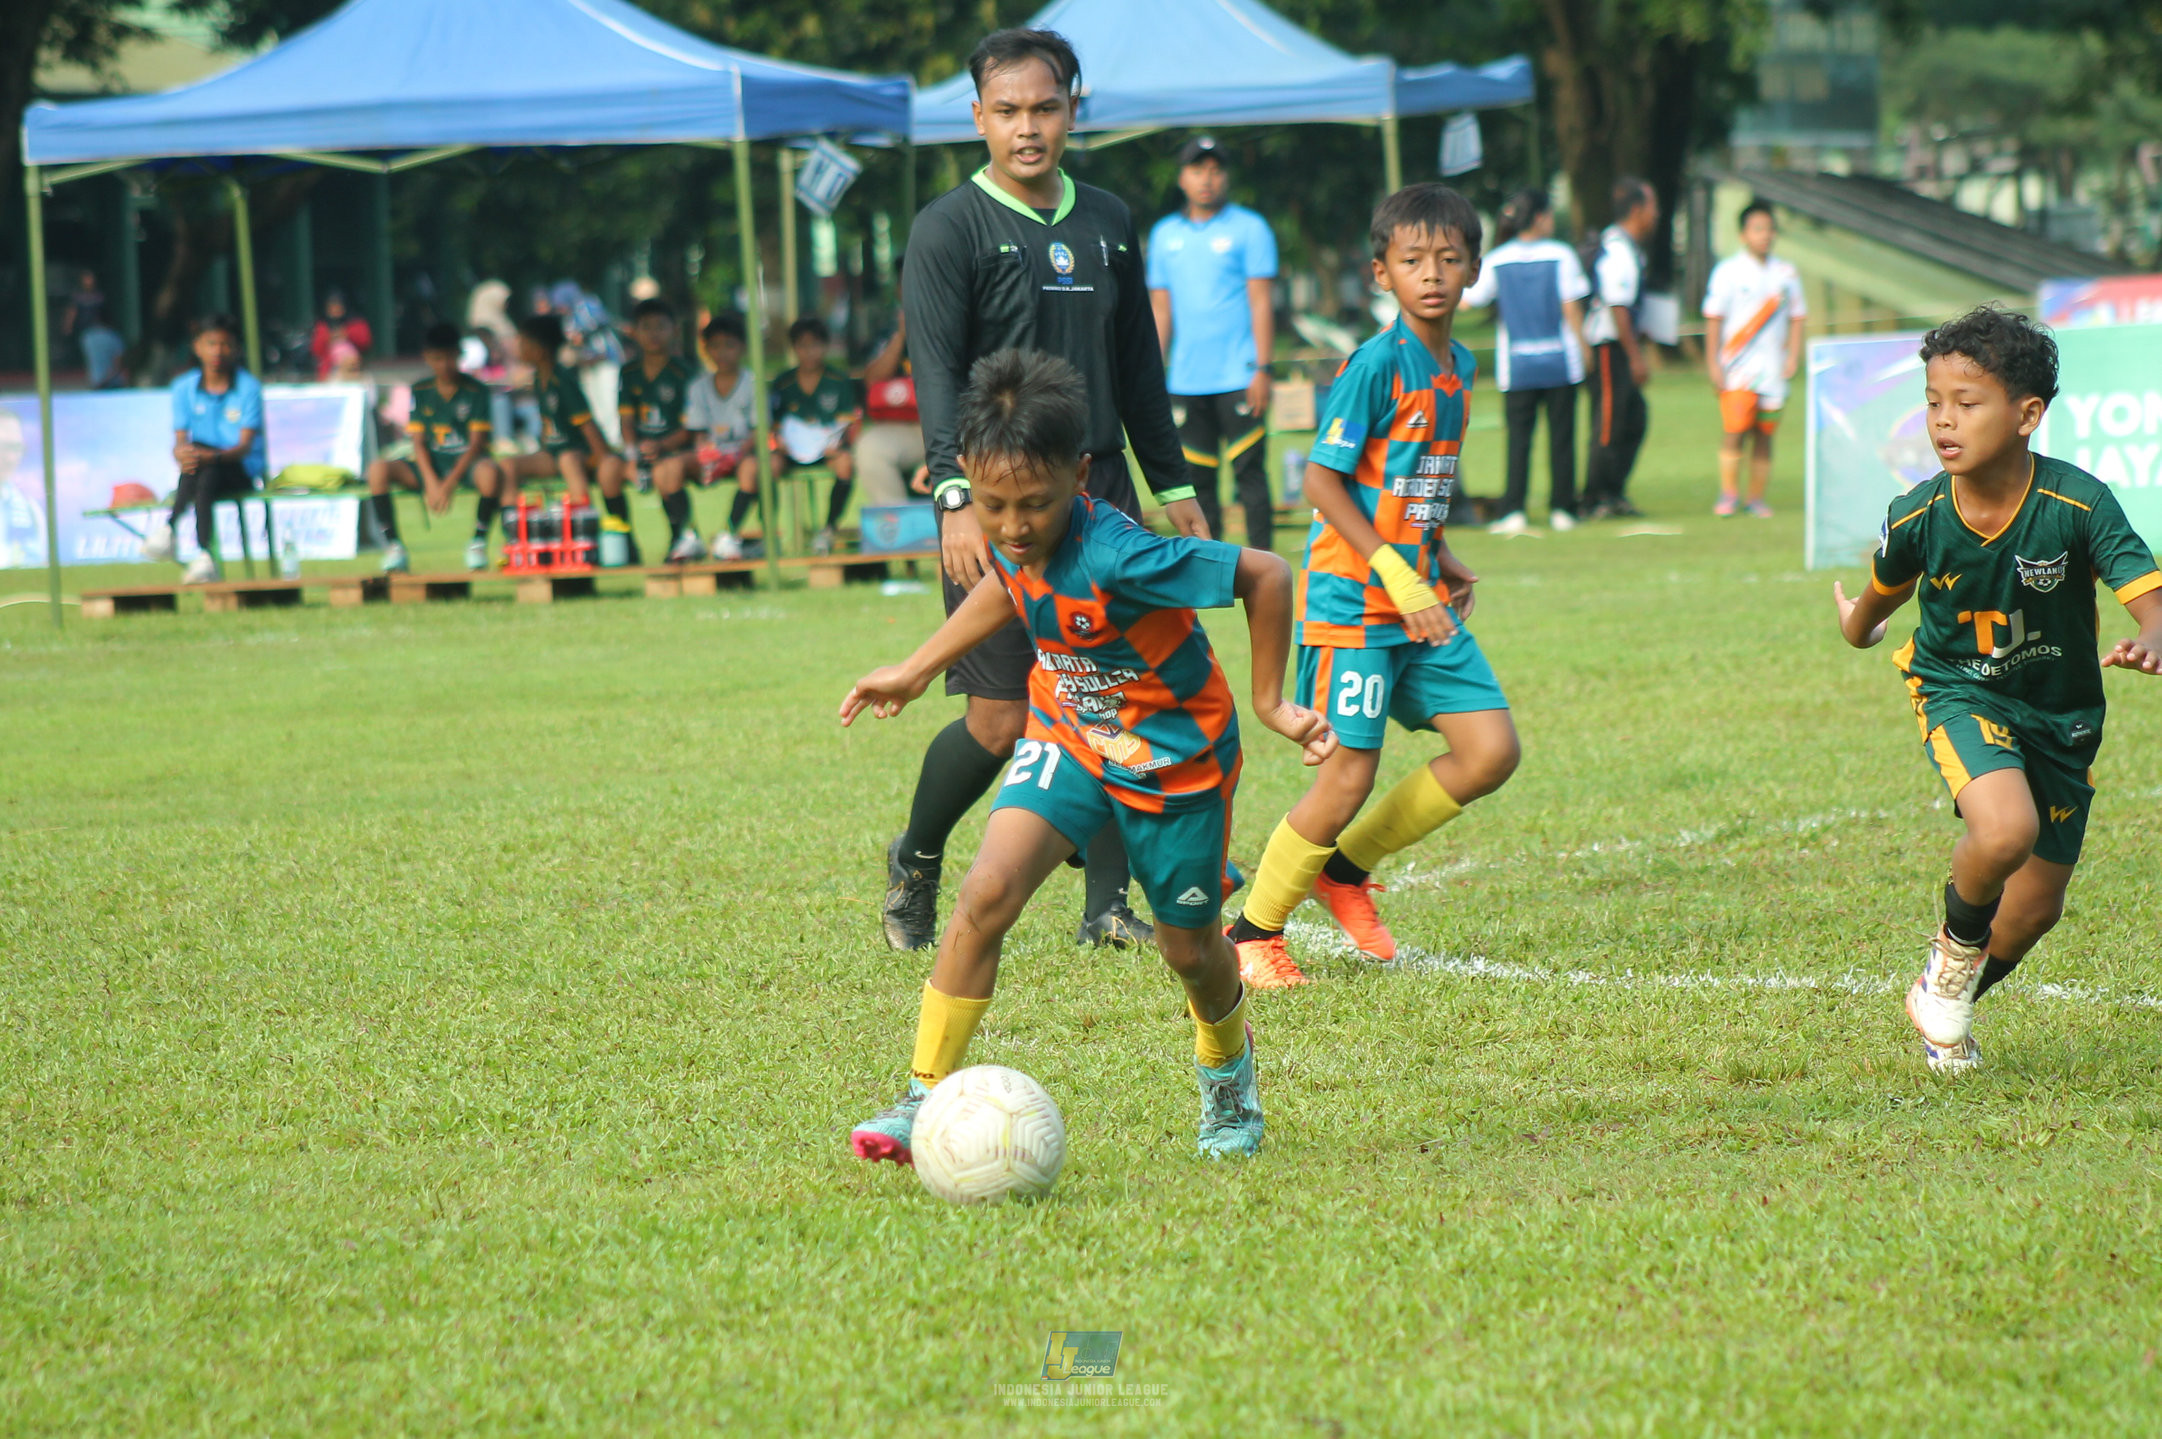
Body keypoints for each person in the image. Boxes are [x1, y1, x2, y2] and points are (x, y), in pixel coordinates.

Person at [841, 349, 1333, 1165]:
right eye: (994, 503)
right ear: (969, 474)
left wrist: (1274, 701)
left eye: (1035, 504)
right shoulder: (1009, 532)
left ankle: (1228, 1075)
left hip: (1175, 762)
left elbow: (1267, 573)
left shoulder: (1121, 554)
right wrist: (919, 666)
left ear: (1082, 474)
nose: (1013, 525)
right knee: (986, 890)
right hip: (1070, 733)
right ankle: (924, 1094)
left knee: (1189, 949)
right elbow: (1008, 579)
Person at [882, 27, 1211, 956]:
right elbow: (936, 370)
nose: (1028, 128)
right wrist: (953, 492)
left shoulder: (1109, 217)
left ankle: (1105, 907)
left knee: (1111, 689)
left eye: (1046, 107)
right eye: (1009, 111)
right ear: (978, 115)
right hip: (995, 498)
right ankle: (916, 856)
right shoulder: (950, 227)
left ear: (1075, 106)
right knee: (1001, 718)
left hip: (1097, 485)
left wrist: (1172, 481)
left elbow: (1137, 362)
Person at [1834, 306, 2162, 1073]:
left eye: (1967, 402)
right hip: (1958, 689)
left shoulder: (2078, 503)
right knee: (2004, 829)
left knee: (2035, 910)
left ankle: (1943, 997)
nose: (1943, 421)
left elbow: (2149, 601)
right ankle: (1950, 961)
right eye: (1933, 401)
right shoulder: (1917, 513)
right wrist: (1858, 627)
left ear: (2027, 414)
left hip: (2063, 715)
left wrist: (2151, 637)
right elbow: (1878, 600)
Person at [1224, 185, 1521, 989]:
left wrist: (1439, 552)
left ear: (1473, 271)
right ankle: (1252, 930)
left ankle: (1345, 870)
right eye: (1413, 260)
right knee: (1346, 775)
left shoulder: (1458, 366)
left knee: (1491, 750)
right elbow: (1323, 481)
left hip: (1419, 596)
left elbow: (1410, 480)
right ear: (1381, 273)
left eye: (1449, 260)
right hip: (1356, 601)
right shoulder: (1374, 364)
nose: (1432, 274)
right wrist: (1392, 566)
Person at [1147, 135, 1279, 551]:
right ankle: (1211, 566)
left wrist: (1263, 368)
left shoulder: (1250, 228)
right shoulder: (1165, 235)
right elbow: (1161, 311)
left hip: (1239, 375)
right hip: (1186, 380)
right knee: (1195, 482)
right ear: (1182, 177)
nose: (1207, 178)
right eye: (1197, 169)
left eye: (1215, 169)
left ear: (1226, 176)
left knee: (1250, 476)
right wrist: (1153, 374)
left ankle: (1263, 567)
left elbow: (1261, 303)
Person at [1461, 188, 1591, 535]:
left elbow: (1469, 302)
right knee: (1562, 438)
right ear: (1539, 218)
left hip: (1516, 365)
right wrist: (1584, 348)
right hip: (1560, 361)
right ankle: (1562, 508)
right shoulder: (1561, 255)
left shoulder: (1499, 259)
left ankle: (1513, 509)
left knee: (1519, 440)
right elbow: (1571, 307)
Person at [367, 322, 503, 574]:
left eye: (450, 357)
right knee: (377, 470)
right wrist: (431, 482)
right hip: (431, 463)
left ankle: (478, 543)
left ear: (459, 355)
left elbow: (476, 444)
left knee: (491, 472)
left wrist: (448, 484)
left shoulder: (476, 391)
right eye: (437, 358)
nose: (444, 365)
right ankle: (394, 547)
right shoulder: (421, 390)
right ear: (428, 358)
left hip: (466, 464)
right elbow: (418, 442)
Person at [141, 314, 266, 584]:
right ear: (197, 347)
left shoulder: (248, 388)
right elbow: (180, 441)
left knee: (204, 462)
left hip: (239, 469)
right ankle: (204, 554)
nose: (218, 351)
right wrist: (182, 454)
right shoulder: (184, 387)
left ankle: (170, 529)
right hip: (203, 470)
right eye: (211, 344)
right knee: (204, 469)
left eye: (225, 344)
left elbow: (244, 446)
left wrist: (207, 455)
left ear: (235, 348)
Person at [1702, 199, 1806, 518]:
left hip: (1773, 368)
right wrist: (1713, 363)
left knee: (1765, 433)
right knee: (1735, 430)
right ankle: (1728, 494)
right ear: (1743, 234)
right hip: (1737, 368)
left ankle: (1756, 497)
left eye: (1770, 229)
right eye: (1758, 229)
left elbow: (1797, 317)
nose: (1765, 235)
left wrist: (1793, 355)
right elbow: (1713, 318)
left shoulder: (1786, 273)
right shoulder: (1728, 272)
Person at [1581, 178, 1659, 520]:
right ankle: (1595, 496)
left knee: (1634, 418)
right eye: (1653, 207)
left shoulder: (1629, 248)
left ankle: (1613, 490)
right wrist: (1635, 356)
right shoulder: (1618, 250)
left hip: (1619, 347)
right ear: (1638, 210)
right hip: (1609, 347)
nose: (1656, 215)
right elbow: (1618, 308)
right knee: (1610, 422)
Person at [496, 313, 615, 538]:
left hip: (579, 454)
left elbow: (587, 424)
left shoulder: (563, 381)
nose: (517, 347)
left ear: (539, 350)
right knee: (508, 465)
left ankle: (584, 528)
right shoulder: (540, 380)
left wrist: (603, 459)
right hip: (552, 455)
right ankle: (514, 531)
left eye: (522, 342)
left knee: (568, 460)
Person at [604, 297, 703, 561]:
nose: (654, 334)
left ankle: (680, 538)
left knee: (664, 472)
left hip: (675, 450)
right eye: (646, 327)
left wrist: (662, 446)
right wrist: (633, 452)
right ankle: (625, 542)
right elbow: (626, 419)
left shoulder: (684, 373)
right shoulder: (629, 372)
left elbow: (691, 426)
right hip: (641, 452)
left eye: (661, 327)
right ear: (633, 332)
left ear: (675, 331)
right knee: (608, 471)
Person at [769, 316, 861, 557]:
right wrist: (778, 441)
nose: (809, 352)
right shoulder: (782, 382)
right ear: (794, 348)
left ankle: (828, 529)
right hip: (790, 450)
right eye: (802, 345)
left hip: (826, 448)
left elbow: (847, 421)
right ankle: (770, 532)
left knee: (845, 464)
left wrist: (837, 443)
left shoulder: (838, 380)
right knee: (768, 466)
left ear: (825, 346)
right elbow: (772, 422)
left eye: (815, 345)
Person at [687, 311, 765, 560]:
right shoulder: (697, 387)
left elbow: (759, 429)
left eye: (729, 346)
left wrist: (737, 454)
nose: (722, 353)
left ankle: (728, 534)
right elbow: (698, 432)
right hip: (711, 457)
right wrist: (707, 453)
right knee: (668, 471)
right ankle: (686, 537)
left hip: (742, 454)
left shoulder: (753, 383)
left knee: (753, 469)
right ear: (706, 349)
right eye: (715, 346)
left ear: (742, 348)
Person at [857, 293, 928, 507]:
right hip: (908, 428)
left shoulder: (958, 317)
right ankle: (899, 527)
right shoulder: (890, 332)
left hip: (957, 427)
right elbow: (872, 379)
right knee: (870, 448)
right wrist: (902, 335)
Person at [64, 270, 125, 390]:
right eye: (87, 278)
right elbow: (72, 311)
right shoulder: (78, 296)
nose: (89, 281)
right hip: (85, 331)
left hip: (97, 331)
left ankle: (102, 379)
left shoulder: (99, 296)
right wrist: (68, 325)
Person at [310, 293, 372, 381]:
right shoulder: (322, 326)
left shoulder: (355, 322)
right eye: (331, 307)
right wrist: (329, 338)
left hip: (354, 368)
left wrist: (347, 334)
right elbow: (316, 350)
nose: (335, 310)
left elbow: (365, 342)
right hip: (331, 369)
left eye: (337, 307)